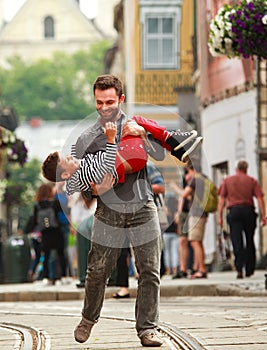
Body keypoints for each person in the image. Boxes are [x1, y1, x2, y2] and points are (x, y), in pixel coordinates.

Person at [71, 74, 167, 347]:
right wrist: (93, 190)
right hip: (108, 211)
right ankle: (88, 318)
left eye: (110, 102)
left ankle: (148, 329)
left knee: (150, 270)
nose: (104, 108)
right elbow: (81, 182)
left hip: (142, 206)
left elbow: (160, 157)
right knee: (97, 271)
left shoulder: (136, 125)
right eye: (99, 102)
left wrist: (145, 135)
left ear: (121, 99)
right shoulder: (86, 138)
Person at [42, 117, 203, 192]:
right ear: (65, 174)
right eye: (66, 159)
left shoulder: (80, 171)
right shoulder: (82, 175)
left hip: (127, 155)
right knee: (133, 122)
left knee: (134, 125)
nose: (70, 156)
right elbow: (107, 165)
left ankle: (176, 146)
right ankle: (173, 141)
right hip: (129, 157)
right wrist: (111, 139)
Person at [218, 160, 267, 279]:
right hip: (248, 211)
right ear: (246, 169)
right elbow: (260, 198)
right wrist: (264, 215)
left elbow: (222, 200)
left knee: (237, 240)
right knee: (249, 239)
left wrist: (219, 216)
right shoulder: (252, 181)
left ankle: (239, 268)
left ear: (236, 169)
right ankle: (250, 268)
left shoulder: (227, 181)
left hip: (234, 212)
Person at [30, 184, 66, 285]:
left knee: (46, 255)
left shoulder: (37, 206)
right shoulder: (55, 203)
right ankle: (63, 276)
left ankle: (46, 278)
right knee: (61, 254)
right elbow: (63, 217)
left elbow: (34, 221)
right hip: (57, 232)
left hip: (45, 233)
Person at [179, 164, 208, 279]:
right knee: (198, 242)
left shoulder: (195, 180)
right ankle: (200, 268)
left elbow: (184, 194)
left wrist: (176, 188)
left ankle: (201, 269)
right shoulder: (205, 179)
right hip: (202, 213)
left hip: (196, 213)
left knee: (195, 242)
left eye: (188, 172)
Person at [162, 196, 179, 276]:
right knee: (175, 252)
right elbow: (177, 222)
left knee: (167, 252)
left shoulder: (165, 211)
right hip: (175, 234)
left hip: (166, 234)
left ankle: (168, 270)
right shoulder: (176, 212)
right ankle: (175, 269)